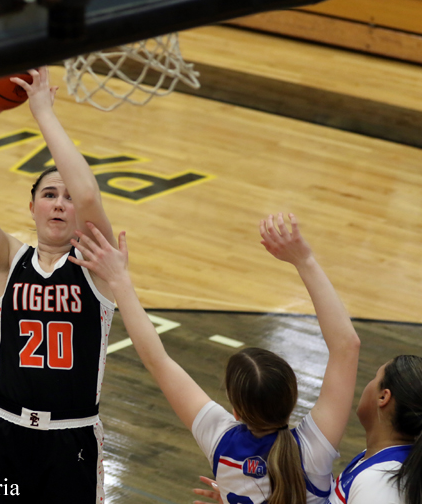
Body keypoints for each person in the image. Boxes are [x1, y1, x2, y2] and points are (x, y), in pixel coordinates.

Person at [68, 214, 360, 504]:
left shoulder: (222, 442)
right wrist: (304, 261)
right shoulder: (312, 450)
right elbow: (346, 346)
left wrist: (119, 280)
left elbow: (158, 361)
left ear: (236, 410)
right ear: (292, 395)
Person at [0, 67, 117, 503]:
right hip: (2, 427)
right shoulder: (8, 259)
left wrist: (43, 112)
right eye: (49, 195)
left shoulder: (98, 263)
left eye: (67, 197)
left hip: (69, 438)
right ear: (32, 206)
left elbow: (88, 194)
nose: (60, 204)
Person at [193, 356, 422, 504]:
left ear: (383, 397)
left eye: (375, 377)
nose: (368, 384)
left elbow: (347, 344)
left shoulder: (381, 483)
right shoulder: (377, 461)